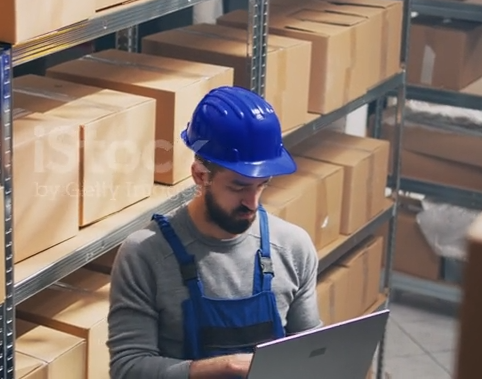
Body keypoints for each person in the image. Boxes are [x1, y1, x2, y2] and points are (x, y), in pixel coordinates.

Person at [107, 86, 322, 379]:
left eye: (262, 185)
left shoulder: (293, 246)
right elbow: (128, 369)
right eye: (238, 187)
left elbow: (311, 354)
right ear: (200, 176)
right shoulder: (145, 254)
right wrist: (227, 367)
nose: (252, 202)